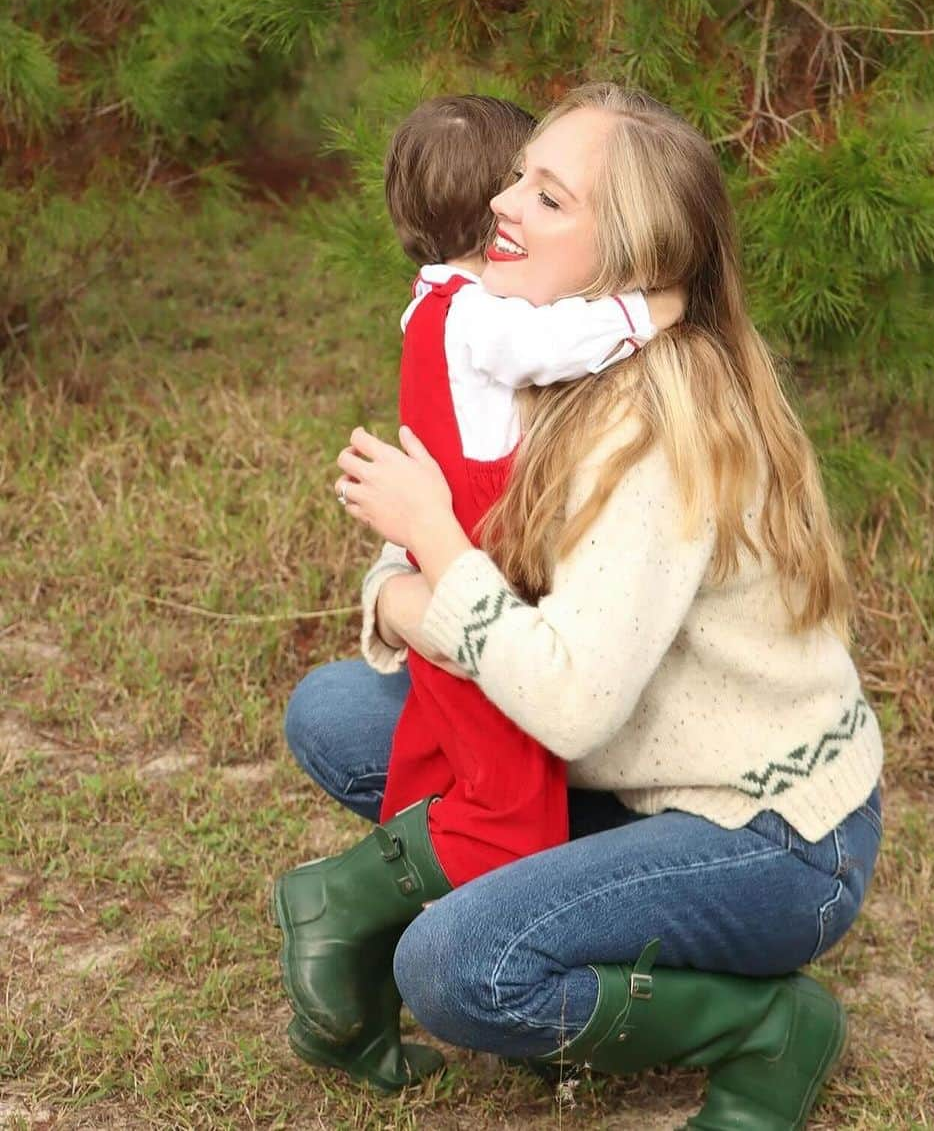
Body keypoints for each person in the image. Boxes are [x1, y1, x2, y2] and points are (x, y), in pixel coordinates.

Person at [283, 82, 884, 1129]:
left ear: (634, 256)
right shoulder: (535, 349)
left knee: (457, 965)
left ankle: (767, 1026)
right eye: (520, 175)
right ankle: (488, 894)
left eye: (549, 196)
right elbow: (405, 570)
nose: (505, 203)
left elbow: (566, 700)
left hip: (765, 826)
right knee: (335, 713)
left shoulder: (660, 425)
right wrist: (412, 571)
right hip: (614, 763)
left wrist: (431, 551)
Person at [275, 94, 685, 1086]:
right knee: (510, 812)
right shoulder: (483, 317)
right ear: (499, 210)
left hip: (453, 578)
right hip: (474, 586)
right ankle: (339, 905)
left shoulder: (430, 306)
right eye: (525, 185)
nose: (523, 203)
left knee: (430, 786)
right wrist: (656, 305)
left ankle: (359, 1000)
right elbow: (568, 343)